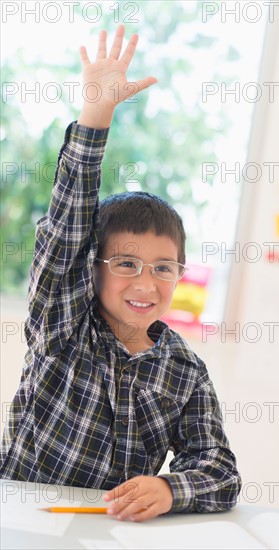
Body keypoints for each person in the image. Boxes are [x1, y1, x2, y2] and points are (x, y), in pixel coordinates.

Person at [0, 25, 242, 523]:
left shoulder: (184, 371)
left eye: (162, 268)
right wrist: (96, 115)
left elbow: (219, 469)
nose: (145, 284)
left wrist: (171, 489)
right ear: (91, 269)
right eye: (126, 264)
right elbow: (65, 233)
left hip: (111, 531)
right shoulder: (63, 325)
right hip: (22, 515)